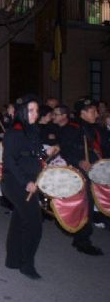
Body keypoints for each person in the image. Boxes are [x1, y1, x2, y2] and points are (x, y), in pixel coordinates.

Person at [2, 96, 59, 279]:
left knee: (19, 219)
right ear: (22, 112)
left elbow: (33, 154)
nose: (35, 114)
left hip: (29, 181)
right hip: (15, 183)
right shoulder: (14, 133)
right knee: (34, 224)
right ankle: (26, 264)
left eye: (36, 110)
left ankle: (12, 259)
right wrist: (25, 182)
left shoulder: (33, 130)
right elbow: (9, 161)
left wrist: (46, 153)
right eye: (31, 110)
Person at [58, 98, 106, 256]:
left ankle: (81, 236)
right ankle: (82, 240)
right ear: (83, 113)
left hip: (94, 171)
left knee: (92, 203)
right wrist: (79, 160)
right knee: (84, 205)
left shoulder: (95, 129)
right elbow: (65, 150)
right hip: (80, 172)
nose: (97, 113)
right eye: (93, 111)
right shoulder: (71, 128)